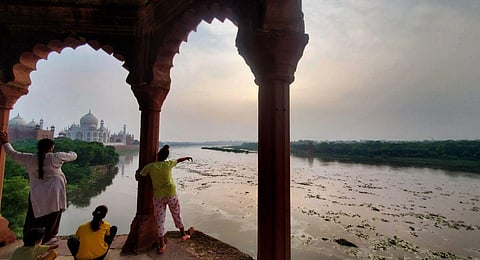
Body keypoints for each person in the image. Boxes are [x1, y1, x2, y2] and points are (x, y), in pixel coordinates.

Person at [0, 131, 77, 244]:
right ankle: (49, 237)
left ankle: (30, 239)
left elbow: (13, 153)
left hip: (37, 193)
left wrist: (5, 142)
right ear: (51, 147)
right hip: (55, 192)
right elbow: (73, 156)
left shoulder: (29, 159)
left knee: (34, 216)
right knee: (54, 214)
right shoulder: (56, 157)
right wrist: (71, 150)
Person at [136, 144, 194, 254]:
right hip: (171, 194)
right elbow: (178, 160)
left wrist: (138, 173)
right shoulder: (168, 164)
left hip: (158, 196)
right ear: (167, 156)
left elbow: (140, 176)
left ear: (157, 156)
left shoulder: (150, 166)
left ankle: (162, 245)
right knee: (176, 214)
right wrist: (186, 158)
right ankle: (183, 235)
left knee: (160, 219)